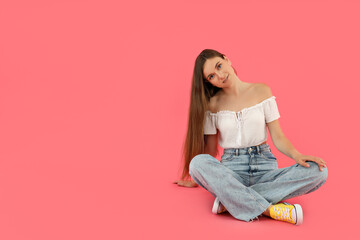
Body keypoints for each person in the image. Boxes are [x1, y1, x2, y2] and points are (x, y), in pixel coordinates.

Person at [173, 49, 328, 225]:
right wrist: (199, 177)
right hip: (232, 172)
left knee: (319, 171)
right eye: (212, 76)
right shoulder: (212, 105)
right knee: (197, 163)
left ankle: (232, 199)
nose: (220, 75)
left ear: (227, 59)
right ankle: (270, 210)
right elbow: (209, 152)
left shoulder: (262, 90)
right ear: (209, 82)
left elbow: (278, 137)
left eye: (219, 66)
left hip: (265, 170)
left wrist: (296, 155)